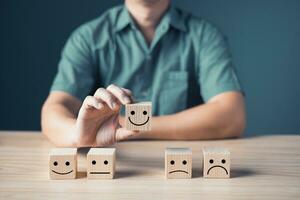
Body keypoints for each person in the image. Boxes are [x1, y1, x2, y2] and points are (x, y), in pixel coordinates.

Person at [42, 0, 246, 147]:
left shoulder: (205, 36)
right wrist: (80, 135)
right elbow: (54, 109)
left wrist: (126, 126)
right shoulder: (86, 38)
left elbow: (232, 115)